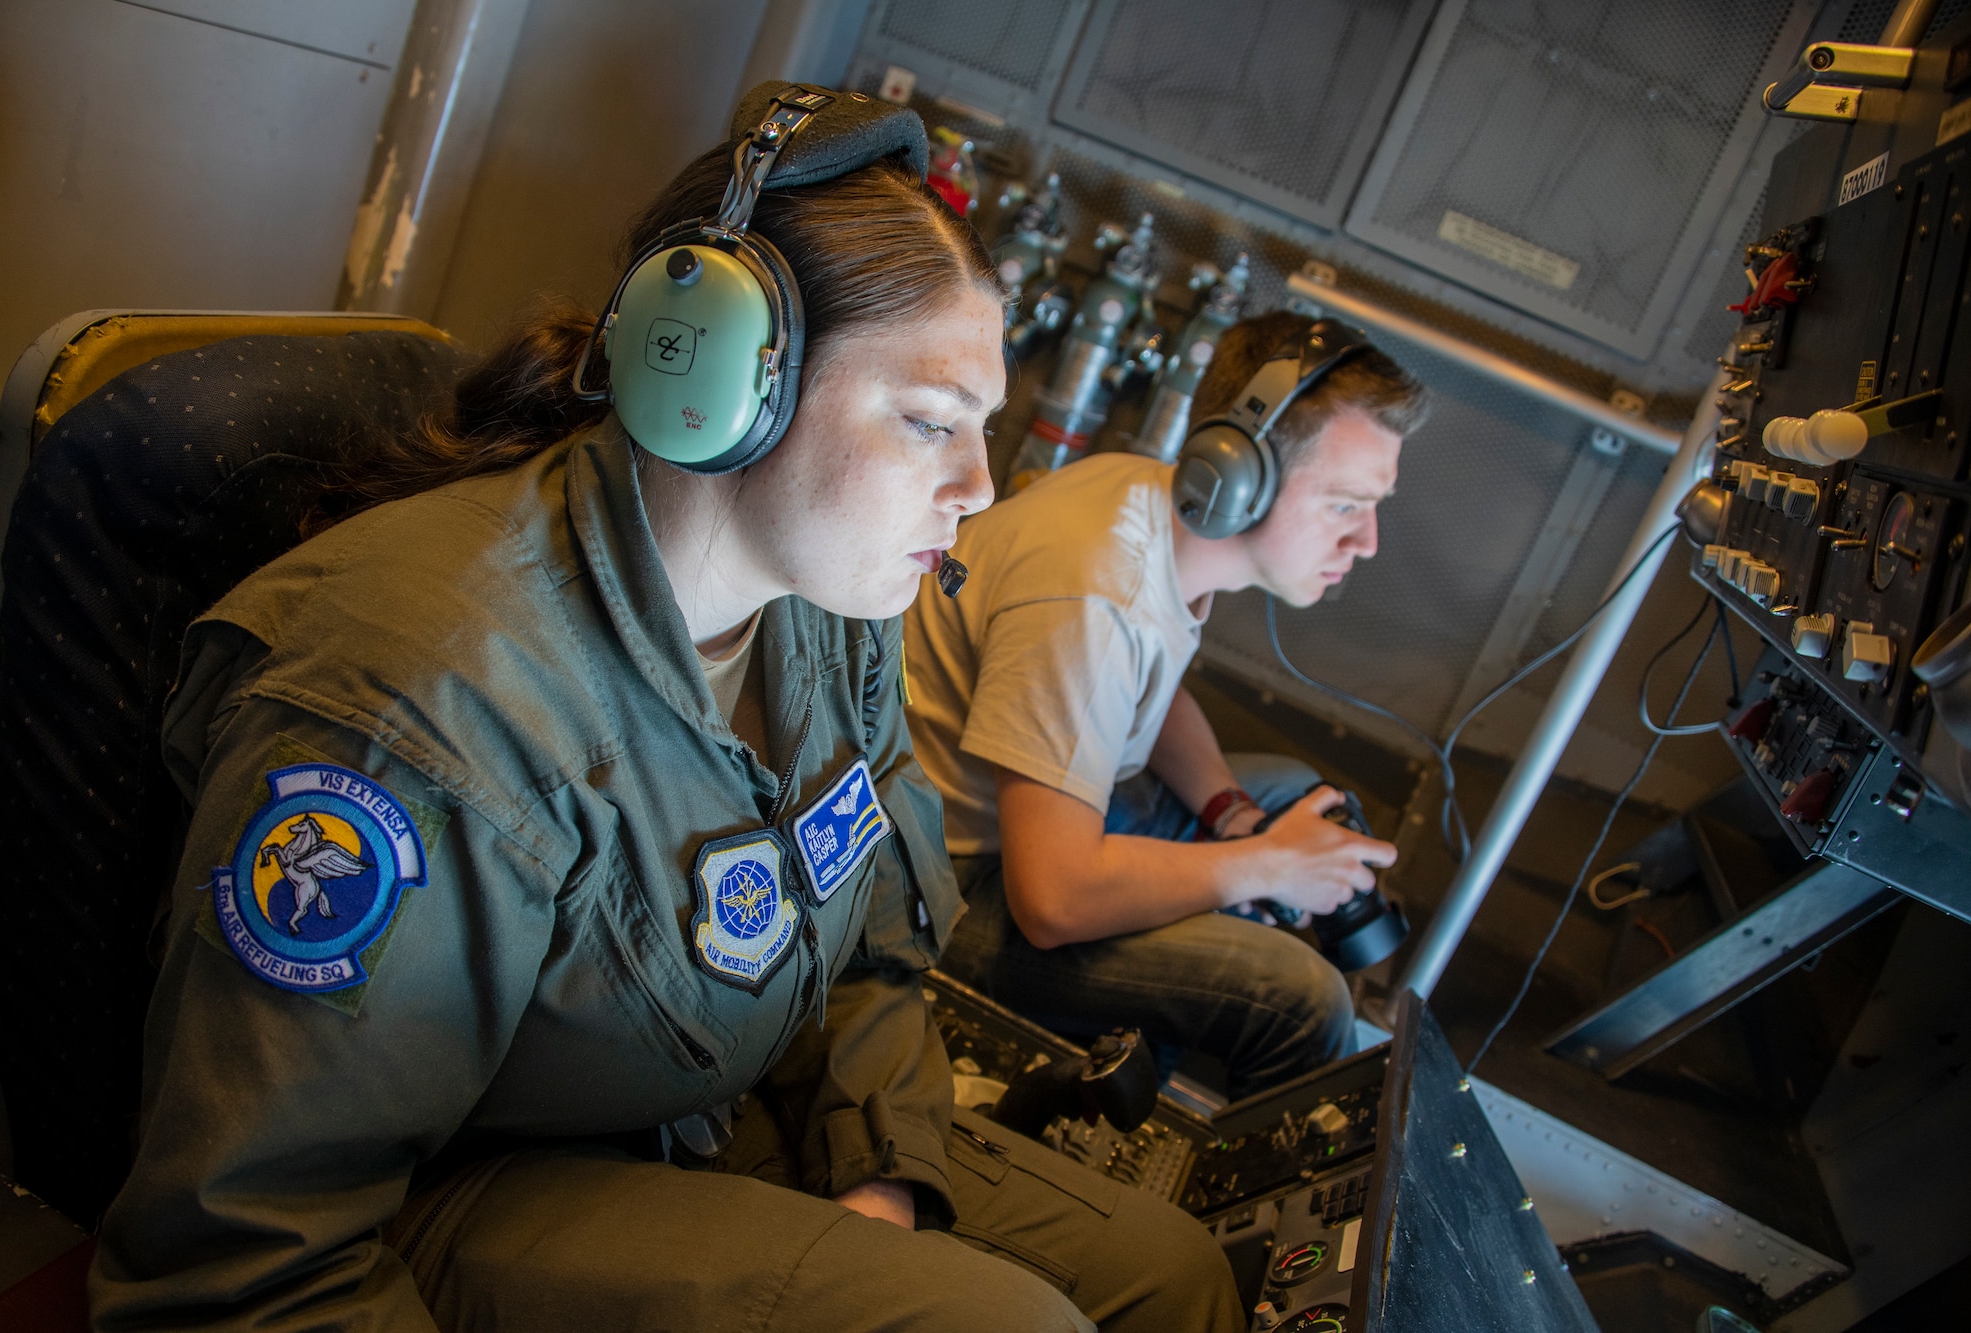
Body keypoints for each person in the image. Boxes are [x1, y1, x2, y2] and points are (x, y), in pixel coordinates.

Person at [90, 84, 1242, 1333]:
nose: (978, 485)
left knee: (1169, 1281)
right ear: (713, 384)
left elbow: (864, 936)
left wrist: (877, 1175)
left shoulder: (830, 613)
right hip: (440, 1199)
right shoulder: (424, 711)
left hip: (690, 1109)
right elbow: (241, 1271)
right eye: (927, 424)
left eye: (983, 430)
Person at [903, 310, 1428, 1100]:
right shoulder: (1095, 592)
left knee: (1285, 791)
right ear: (1241, 474)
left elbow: (1151, 681)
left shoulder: (1150, 507)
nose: (1369, 541)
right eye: (1346, 504)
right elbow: (1051, 899)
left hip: (1024, 828)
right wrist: (1268, 864)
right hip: (943, 886)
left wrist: (1231, 815)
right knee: (1298, 996)